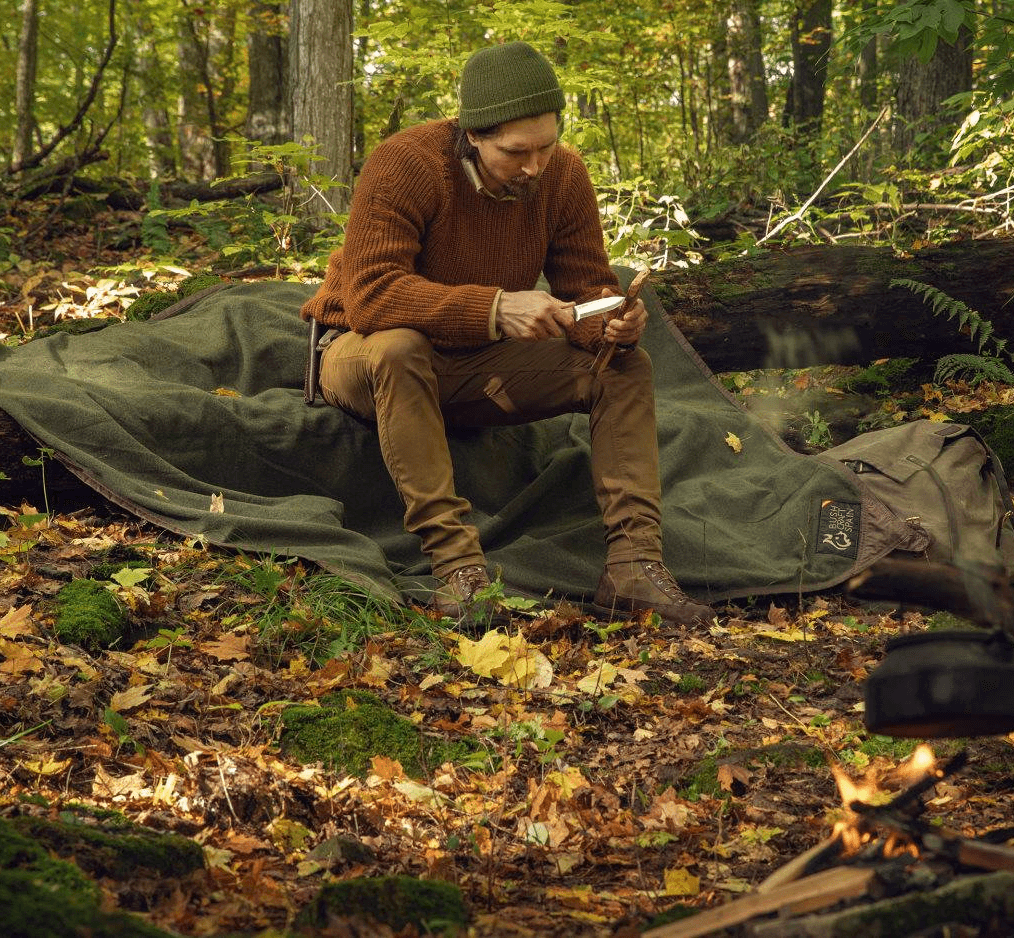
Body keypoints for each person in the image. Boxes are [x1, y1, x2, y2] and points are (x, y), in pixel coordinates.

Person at [302, 41, 714, 626]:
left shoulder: (563, 174)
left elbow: (586, 286)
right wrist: (495, 309)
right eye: (516, 151)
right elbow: (373, 296)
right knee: (400, 348)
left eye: (546, 146)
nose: (535, 166)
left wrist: (610, 323)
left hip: (474, 363)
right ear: (472, 134)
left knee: (624, 368)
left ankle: (633, 567)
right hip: (362, 356)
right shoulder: (405, 163)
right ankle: (458, 570)